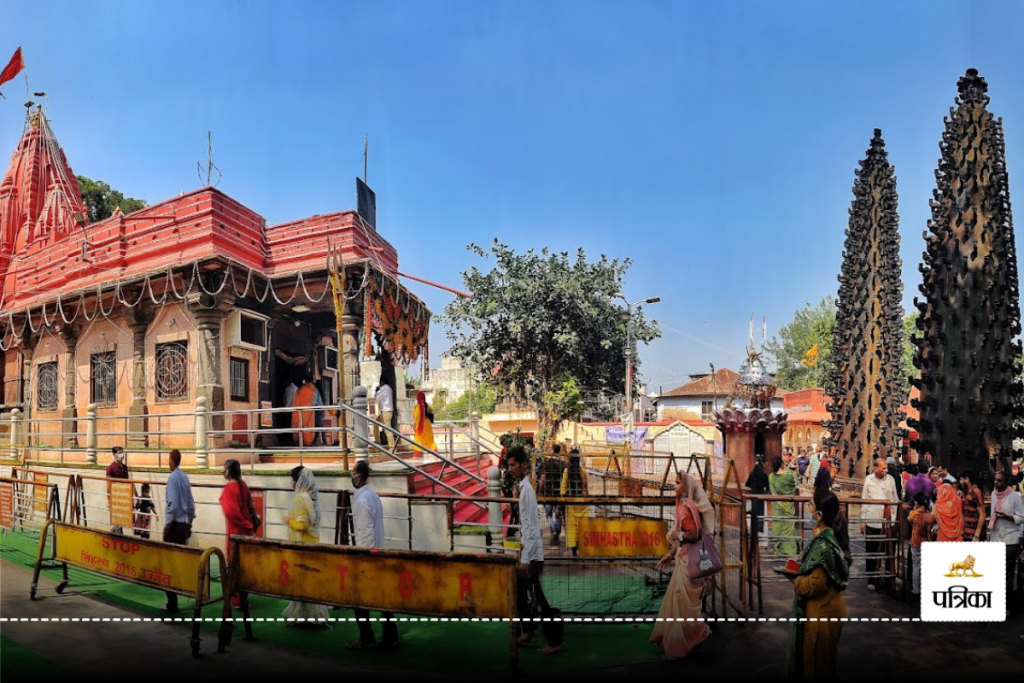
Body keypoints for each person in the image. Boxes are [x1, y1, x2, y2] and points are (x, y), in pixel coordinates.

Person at [651, 471, 716, 660]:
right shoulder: (685, 505)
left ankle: (693, 637)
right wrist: (670, 555)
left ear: (686, 487)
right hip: (686, 560)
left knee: (683, 606)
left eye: (677, 483)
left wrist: (677, 536)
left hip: (689, 563)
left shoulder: (687, 508)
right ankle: (694, 637)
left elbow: (692, 535)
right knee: (682, 605)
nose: (674, 485)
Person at [784, 492, 849, 681]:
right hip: (828, 609)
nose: (807, 507)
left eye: (811, 504)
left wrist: (795, 579)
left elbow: (816, 583)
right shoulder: (829, 537)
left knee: (817, 669)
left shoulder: (824, 545)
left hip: (821, 612)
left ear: (819, 515)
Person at [507, 445, 563, 655]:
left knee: (539, 598)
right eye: (509, 465)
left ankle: (555, 639)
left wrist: (525, 559)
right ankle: (529, 631)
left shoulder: (527, 491)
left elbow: (531, 526)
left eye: (513, 465)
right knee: (522, 593)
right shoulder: (524, 487)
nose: (510, 468)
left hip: (532, 556)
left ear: (522, 465)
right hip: (529, 552)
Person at [346, 459, 400, 650]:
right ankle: (390, 636)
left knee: (359, 599)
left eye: (353, 473)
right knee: (382, 597)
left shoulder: (363, 500)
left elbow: (365, 532)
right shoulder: (372, 496)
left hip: (368, 556)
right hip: (378, 552)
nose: (351, 476)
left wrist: (363, 558)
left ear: (359, 476)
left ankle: (367, 637)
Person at [282, 467, 331, 627]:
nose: (292, 483)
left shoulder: (300, 499)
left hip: (302, 546)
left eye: (293, 480)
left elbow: (302, 525)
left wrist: (289, 521)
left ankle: (297, 617)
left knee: (300, 582)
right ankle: (316, 617)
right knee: (312, 582)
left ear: (299, 481)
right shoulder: (312, 498)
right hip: (313, 543)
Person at [163, 449, 195, 613]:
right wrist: (189, 521)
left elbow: (172, 505)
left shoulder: (173, 478)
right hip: (183, 525)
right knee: (180, 561)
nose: (168, 462)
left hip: (175, 525)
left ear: (173, 461)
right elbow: (190, 503)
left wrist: (167, 525)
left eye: (169, 459)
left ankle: (172, 602)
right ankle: (180, 595)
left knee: (170, 564)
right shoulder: (184, 477)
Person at [860, 457, 898, 591]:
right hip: (872, 520)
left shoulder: (891, 480)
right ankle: (871, 578)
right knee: (871, 551)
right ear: (876, 468)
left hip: (886, 522)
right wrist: (863, 521)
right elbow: (864, 500)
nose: (886, 470)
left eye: (886, 468)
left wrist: (892, 519)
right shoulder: (868, 480)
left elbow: (895, 500)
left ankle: (887, 580)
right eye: (883, 468)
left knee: (887, 551)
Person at [989, 471, 1024, 604]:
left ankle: (1008, 603)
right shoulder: (993, 494)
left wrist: (1007, 516)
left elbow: (1021, 517)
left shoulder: (1014, 496)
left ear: (1006, 483)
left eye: (999, 481)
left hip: (1010, 538)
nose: (996, 482)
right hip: (996, 537)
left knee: (1007, 572)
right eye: (995, 480)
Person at [560, 449, 589, 557]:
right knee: (582, 527)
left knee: (572, 527)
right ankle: (583, 549)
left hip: (571, 503)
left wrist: (562, 504)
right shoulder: (583, 472)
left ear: (570, 459)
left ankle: (574, 552)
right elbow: (586, 487)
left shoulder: (567, 472)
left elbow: (563, 489)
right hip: (582, 503)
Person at [769, 457, 798, 557]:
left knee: (777, 526)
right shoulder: (788, 476)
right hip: (787, 507)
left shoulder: (771, 477)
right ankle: (789, 551)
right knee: (788, 529)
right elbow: (794, 485)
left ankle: (778, 549)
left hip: (776, 506)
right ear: (782, 464)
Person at [907, 492, 935, 596]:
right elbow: (929, 530)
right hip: (925, 542)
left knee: (916, 566)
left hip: (915, 542)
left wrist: (916, 508)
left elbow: (909, 520)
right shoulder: (928, 517)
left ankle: (916, 588)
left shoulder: (914, 514)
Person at [539, 445, 566, 545]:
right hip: (560, 493)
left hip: (548, 492)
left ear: (552, 451)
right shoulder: (563, 464)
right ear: (560, 451)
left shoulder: (546, 464)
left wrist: (540, 491)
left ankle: (554, 530)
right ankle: (556, 535)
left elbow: (542, 479)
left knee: (548, 514)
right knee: (559, 515)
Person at [292, 377, 323, 448]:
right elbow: (314, 402)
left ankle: (299, 440)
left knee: (300, 425)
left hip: (300, 412)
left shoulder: (300, 390)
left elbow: (295, 401)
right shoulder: (313, 389)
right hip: (310, 411)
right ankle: (309, 441)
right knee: (312, 426)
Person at [106, 446, 131, 534]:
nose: (122, 455)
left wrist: (133, 496)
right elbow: (108, 485)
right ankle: (115, 535)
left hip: (124, 497)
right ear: (114, 455)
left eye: (122, 452)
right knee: (118, 522)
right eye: (119, 453)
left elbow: (129, 482)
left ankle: (116, 533)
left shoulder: (125, 467)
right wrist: (109, 500)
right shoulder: (111, 468)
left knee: (121, 522)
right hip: (115, 497)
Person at [958, 469, 987, 542]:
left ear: (967, 479)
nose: (960, 482)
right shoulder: (965, 492)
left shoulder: (976, 492)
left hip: (974, 534)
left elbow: (982, 514)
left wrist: (977, 535)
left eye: (962, 480)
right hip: (966, 533)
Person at [745, 459, 769, 537]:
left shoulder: (751, 474)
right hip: (761, 496)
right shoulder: (764, 475)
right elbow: (767, 487)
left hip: (752, 496)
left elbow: (747, 484)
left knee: (753, 513)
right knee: (761, 513)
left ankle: (752, 529)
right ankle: (759, 529)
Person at [374, 381, 395, 447]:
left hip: (386, 411)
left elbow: (377, 398)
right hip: (385, 411)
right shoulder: (388, 388)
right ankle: (377, 440)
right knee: (375, 422)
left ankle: (392, 447)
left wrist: (376, 391)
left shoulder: (384, 389)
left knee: (387, 429)